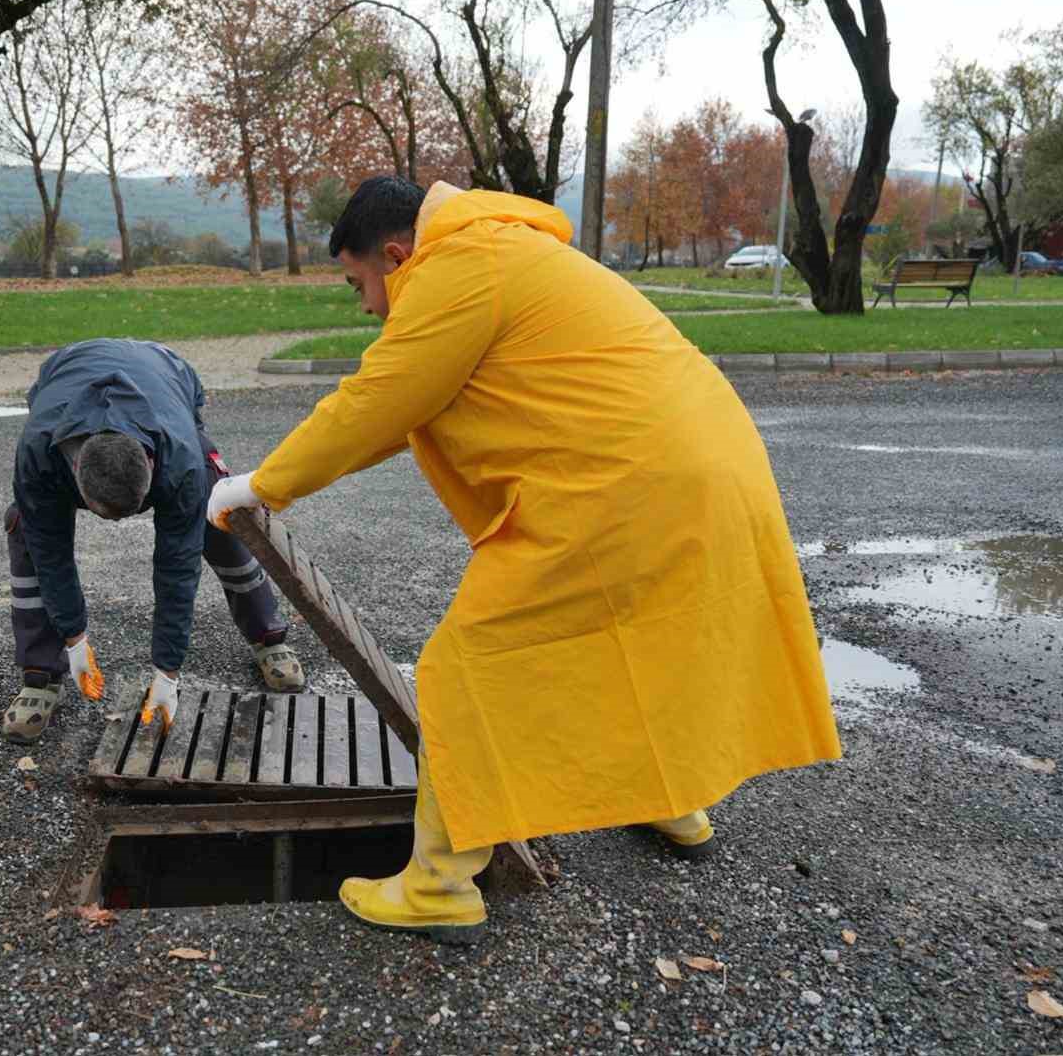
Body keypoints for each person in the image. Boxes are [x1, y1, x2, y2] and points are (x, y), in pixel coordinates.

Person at [208, 177, 840, 943]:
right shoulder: (500, 250)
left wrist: (260, 485)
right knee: (632, 640)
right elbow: (406, 408)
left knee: (468, 666)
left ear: (397, 254)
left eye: (360, 284)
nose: (367, 306)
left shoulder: (458, 265)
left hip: (625, 488)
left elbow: (378, 399)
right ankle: (669, 801)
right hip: (702, 466)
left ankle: (439, 885)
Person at [3, 337, 304, 742]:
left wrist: (167, 672)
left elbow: (176, 569)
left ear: (150, 466)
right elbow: (50, 552)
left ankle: (268, 636)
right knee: (27, 530)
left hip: (166, 375)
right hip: (68, 372)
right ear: (74, 476)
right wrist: (74, 637)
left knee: (218, 514)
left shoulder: (178, 459)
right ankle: (40, 675)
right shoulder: (38, 454)